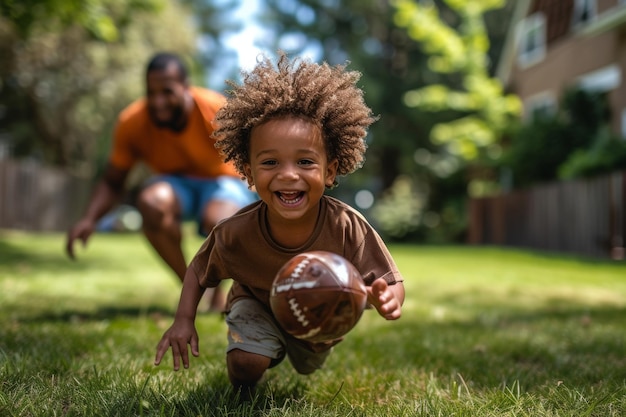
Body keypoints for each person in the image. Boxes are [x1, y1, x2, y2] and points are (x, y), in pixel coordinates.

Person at [154, 52, 405, 396]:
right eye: (270, 162)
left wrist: (387, 299)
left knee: (308, 364)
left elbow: (389, 280)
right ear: (248, 172)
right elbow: (199, 270)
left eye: (305, 161)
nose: (288, 175)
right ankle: (248, 379)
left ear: (329, 171)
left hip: (320, 316)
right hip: (255, 303)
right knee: (245, 364)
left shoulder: (346, 225)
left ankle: (288, 346)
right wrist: (184, 320)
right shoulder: (236, 231)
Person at [66, 52, 256, 312]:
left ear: (185, 87)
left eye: (166, 91)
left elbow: (257, 157)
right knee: (151, 202)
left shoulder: (216, 110)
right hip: (176, 184)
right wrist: (89, 218)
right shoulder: (132, 122)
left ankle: (220, 293)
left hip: (224, 181)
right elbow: (113, 181)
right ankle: (195, 288)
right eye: (151, 92)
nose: (158, 102)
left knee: (220, 221)